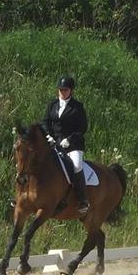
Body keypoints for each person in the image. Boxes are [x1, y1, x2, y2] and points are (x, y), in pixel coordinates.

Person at [43, 74, 90, 214]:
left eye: (65, 90)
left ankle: (82, 200)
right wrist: (48, 136)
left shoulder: (77, 107)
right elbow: (44, 122)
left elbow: (82, 128)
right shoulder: (52, 104)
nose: (62, 92)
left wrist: (69, 140)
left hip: (73, 145)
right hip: (54, 143)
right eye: (61, 90)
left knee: (76, 166)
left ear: (71, 91)